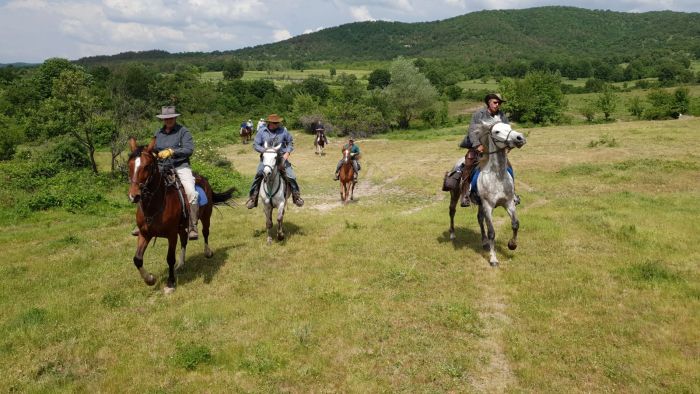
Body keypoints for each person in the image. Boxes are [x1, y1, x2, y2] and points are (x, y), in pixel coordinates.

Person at [132, 106, 200, 239]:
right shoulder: (158, 133)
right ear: (163, 119)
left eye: (170, 118)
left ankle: (192, 225)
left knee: (191, 191)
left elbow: (189, 149)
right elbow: (154, 149)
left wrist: (172, 151)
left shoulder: (183, 131)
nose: (168, 120)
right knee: (144, 189)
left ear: (175, 118)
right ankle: (142, 223)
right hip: (161, 167)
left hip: (180, 166)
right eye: (166, 118)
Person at [458, 93, 518, 207]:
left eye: (499, 103)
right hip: (479, 146)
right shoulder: (478, 115)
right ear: (488, 102)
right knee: (469, 162)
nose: (498, 105)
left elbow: (506, 131)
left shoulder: (501, 115)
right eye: (495, 102)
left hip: (495, 148)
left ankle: (513, 193)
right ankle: (465, 194)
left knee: (508, 166)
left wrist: (508, 145)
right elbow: (472, 131)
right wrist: (477, 145)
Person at [245, 114, 304, 209]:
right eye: (275, 123)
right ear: (269, 123)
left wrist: (287, 153)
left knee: (291, 176)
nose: (277, 124)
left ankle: (296, 196)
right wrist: (265, 151)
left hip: (281, 158)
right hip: (267, 159)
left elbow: (290, 142)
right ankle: (253, 198)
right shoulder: (261, 131)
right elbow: (255, 144)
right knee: (258, 174)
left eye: (278, 122)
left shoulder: (283, 131)